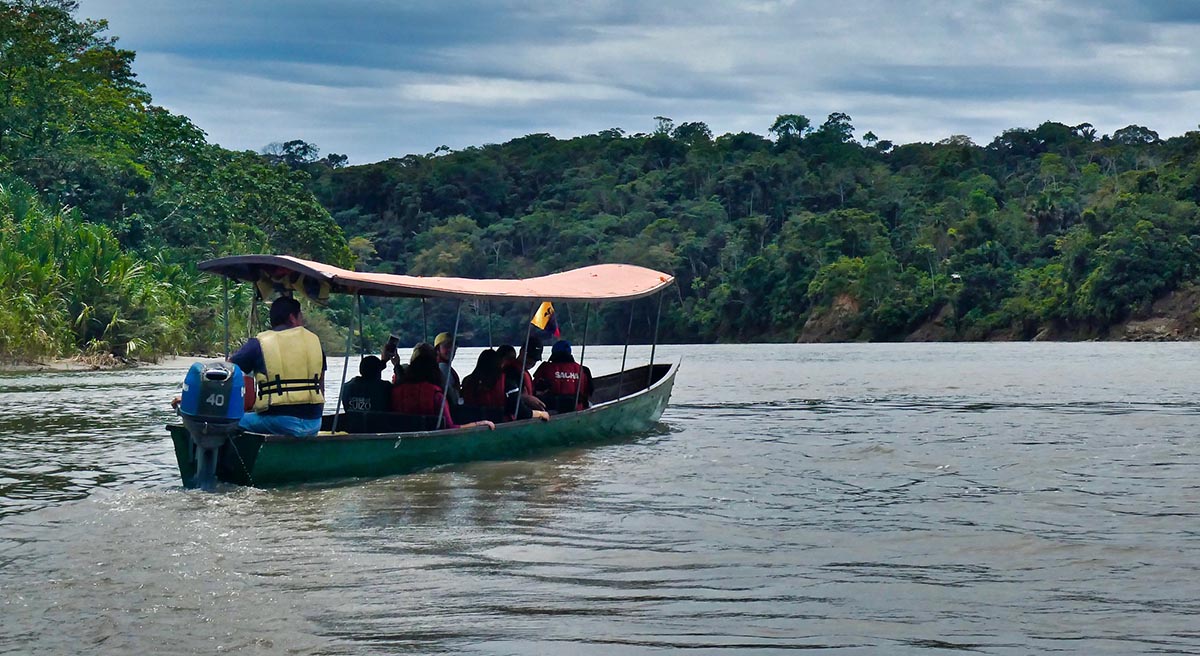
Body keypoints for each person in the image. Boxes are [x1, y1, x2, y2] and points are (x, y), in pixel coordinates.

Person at [229, 296, 326, 437]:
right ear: (292, 318)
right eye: (301, 318)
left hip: (279, 423)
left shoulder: (259, 343)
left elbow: (227, 369)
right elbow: (321, 386)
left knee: (229, 421)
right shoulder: (315, 342)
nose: (302, 322)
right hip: (314, 424)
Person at [390, 347, 494, 430]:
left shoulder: (396, 391)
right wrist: (477, 424)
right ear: (434, 371)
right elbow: (450, 427)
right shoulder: (436, 395)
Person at [534, 340, 593, 412]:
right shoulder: (583, 370)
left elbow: (534, 388)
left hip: (552, 411)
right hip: (576, 409)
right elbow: (589, 392)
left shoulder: (545, 368)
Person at [500, 337, 549, 421]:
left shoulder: (524, 371)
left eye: (535, 359)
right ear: (522, 351)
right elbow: (505, 394)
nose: (532, 361)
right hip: (515, 416)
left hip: (527, 413)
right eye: (530, 357)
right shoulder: (510, 371)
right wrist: (525, 398)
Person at [433, 331, 463, 408]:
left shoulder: (442, 367)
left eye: (453, 347)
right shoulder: (442, 368)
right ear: (437, 350)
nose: (450, 350)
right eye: (446, 346)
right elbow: (452, 397)